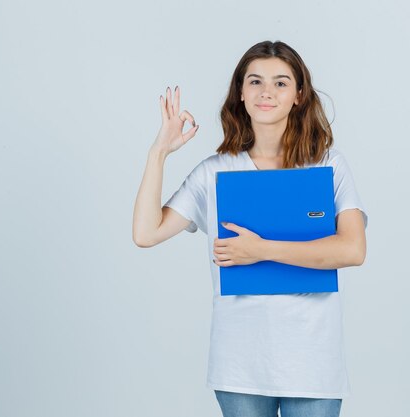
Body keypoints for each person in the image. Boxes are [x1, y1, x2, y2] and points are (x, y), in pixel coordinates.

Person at [132, 40, 368, 417]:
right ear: (240, 93)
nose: (266, 93)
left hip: (312, 363)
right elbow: (146, 233)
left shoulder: (328, 166)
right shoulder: (216, 171)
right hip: (240, 365)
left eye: (280, 83)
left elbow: (352, 250)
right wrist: (158, 152)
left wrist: (262, 249)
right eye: (255, 81)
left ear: (299, 95)